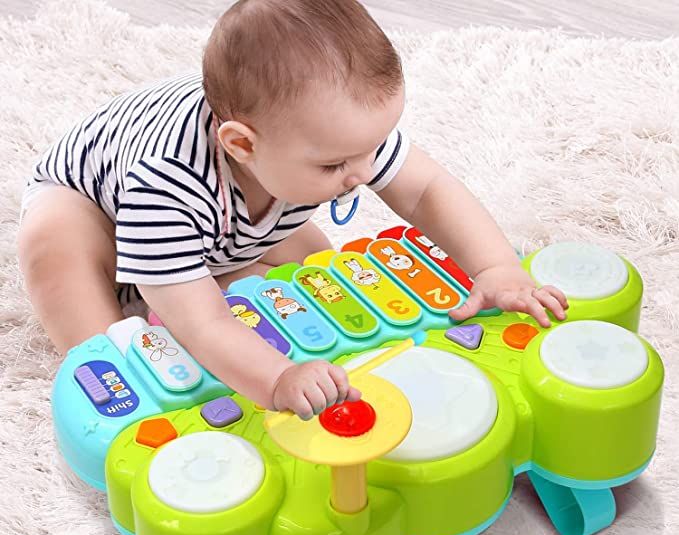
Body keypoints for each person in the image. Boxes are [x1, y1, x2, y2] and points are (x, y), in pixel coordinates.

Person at [17, 0, 568, 420]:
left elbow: (425, 191)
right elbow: (202, 323)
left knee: (311, 269)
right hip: (96, 210)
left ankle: (207, 265)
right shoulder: (166, 182)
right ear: (242, 145)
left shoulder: (340, 141)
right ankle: (114, 359)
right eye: (333, 167)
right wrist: (278, 379)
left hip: (228, 215)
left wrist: (495, 268)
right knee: (55, 246)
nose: (359, 174)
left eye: (372, 149)